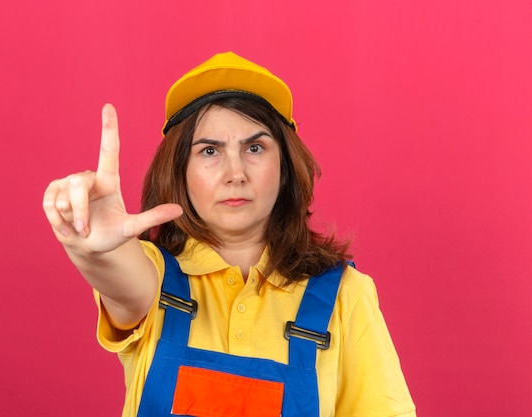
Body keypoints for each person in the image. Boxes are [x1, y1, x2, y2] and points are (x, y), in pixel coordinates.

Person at [43, 52, 416, 417]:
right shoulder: (154, 277)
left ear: (285, 166)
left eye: (255, 148)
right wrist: (88, 246)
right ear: (179, 172)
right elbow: (117, 274)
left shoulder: (345, 295)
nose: (235, 173)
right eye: (209, 151)